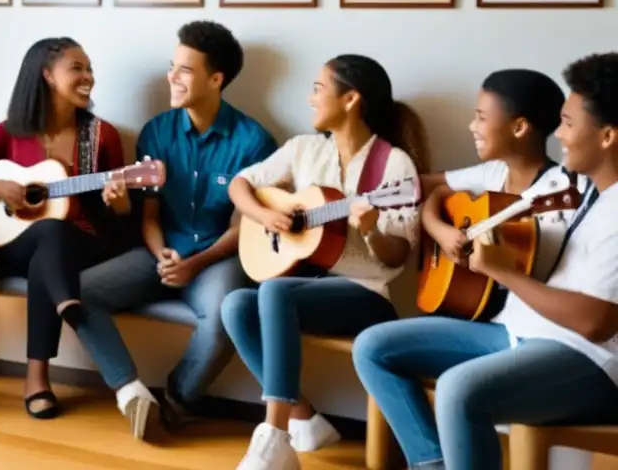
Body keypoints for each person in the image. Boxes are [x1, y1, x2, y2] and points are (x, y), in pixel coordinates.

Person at [352, 53, 618, 470]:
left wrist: (502, 271)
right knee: (374, 345)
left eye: (568, 123)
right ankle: (434, 463)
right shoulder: (591, 196)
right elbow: (435, 187)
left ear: (607, 137)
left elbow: (596, 323)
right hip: (519, 331)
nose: (560, 135)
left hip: (591, 361)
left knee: (460, 388)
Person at [221, 54, 429, 470]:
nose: (310, 97)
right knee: (235, 306)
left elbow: (400, 255)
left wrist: (370, 228)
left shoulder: (393, 166)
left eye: (318, 88)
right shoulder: (303, 149)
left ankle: (274, 436)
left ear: (350, 99)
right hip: (307, 283)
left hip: (366, 296)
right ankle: (304, 419)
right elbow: (241, 184)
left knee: (275, 291)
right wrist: (264, 216)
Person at [78, 21, 278, 429]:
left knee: (226, 315)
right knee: (79, 293)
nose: (172, 76)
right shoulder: (157, 131)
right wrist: (161, 253)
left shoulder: (254, 141)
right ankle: (130, 391)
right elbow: (149, 215)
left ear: (216, 78)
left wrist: (197, 263)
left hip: (219, 256)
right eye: (173, 66)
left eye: (184, 69)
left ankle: (174, 401)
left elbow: (247, 226)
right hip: (160, 249)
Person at [0, 38, 151, 432]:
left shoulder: (101, 136)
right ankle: (68, 306)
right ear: (46, 75)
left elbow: (122, 223)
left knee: (52, 236)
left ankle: (36, 377)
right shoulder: (13, 132)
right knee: (47, 234)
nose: (88, 76)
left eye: (90, 68)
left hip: (81, 243)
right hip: (12, 243)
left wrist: (120, 201)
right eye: (77, 68)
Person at [419, 69, 577, 311]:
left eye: (481, 117)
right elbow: (437, 189)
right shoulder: (493, 172)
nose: (472, 126)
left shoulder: (556, 192)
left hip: (515, 314)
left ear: (519, 127)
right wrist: (440, 231)